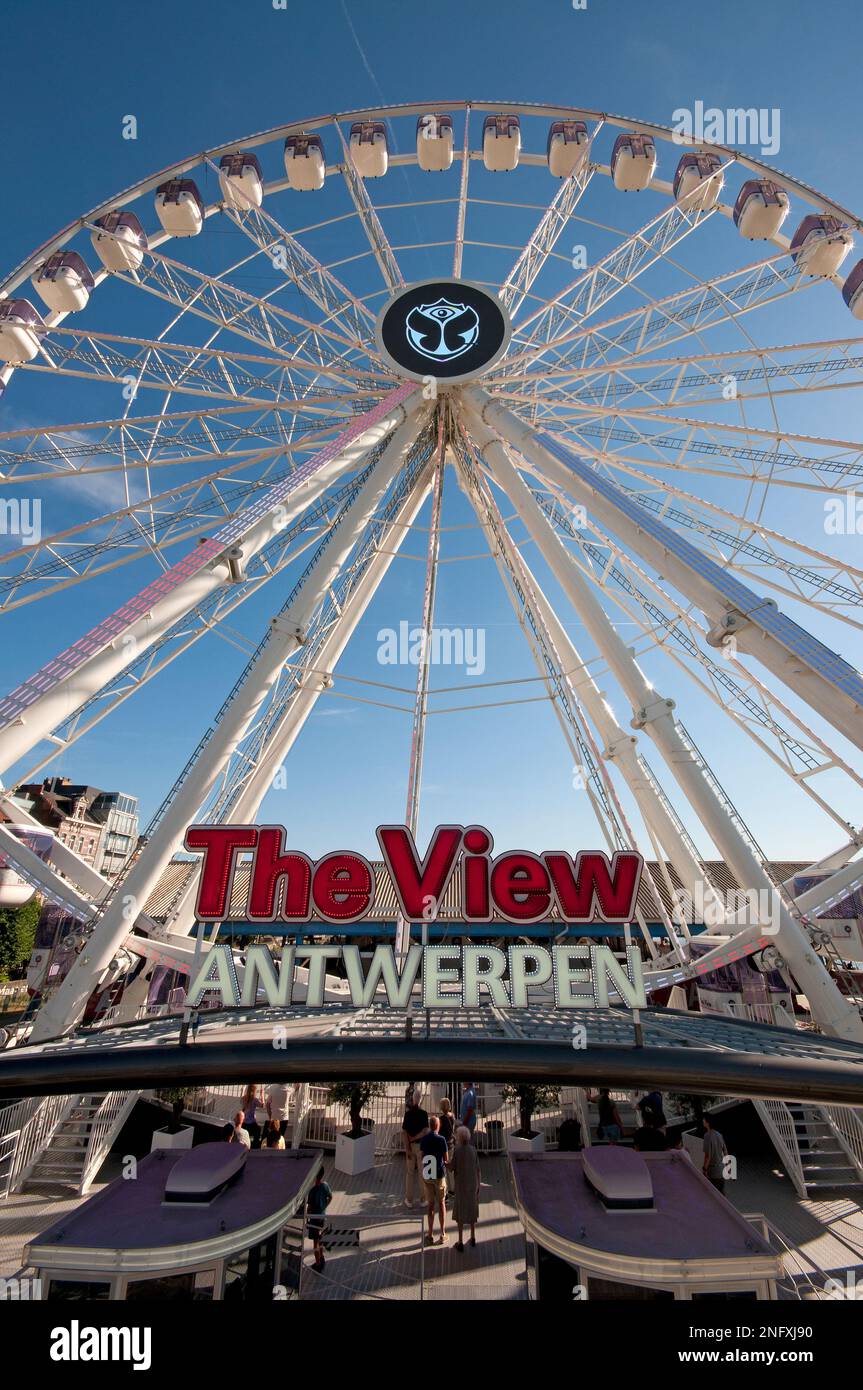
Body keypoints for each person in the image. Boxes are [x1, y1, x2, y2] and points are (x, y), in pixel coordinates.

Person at [449, 1125, 480, 1251]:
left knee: (460, 1213)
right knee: (472, 1210)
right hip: (472, 1184)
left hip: (461, 1185)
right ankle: (473, 1237)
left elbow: (451, 1167)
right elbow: (478, 1169)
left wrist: (444, 1162)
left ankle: (460, 1241)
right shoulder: (473, 1150)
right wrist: (479, 1184)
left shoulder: (457, 1151)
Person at [420, 1116, 449, 1246]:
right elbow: (446, 1158)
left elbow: (422, 1156)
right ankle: (442, 1233)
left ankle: (430, 1234)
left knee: (430, 1204)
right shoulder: (442, 1139)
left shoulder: (424, 1139)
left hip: (428, 1172)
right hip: (439, 1173)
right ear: (437, 1126)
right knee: (441, 1203)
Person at [401, 1088, 430, 1207]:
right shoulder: (424, 1114)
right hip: (421, 1147)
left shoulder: (407, 1115)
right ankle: (423, 1199)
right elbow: (425, 1131)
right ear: (421, 1099)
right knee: (422, 1173)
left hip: (410, 1147)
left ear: (413, 1099)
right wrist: (415, 1138)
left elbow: (404, 1132)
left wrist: (408, 1146)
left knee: (410, 1173)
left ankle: (409, 1199)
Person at [306, 1167, 333, 1273]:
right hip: (322, 1217)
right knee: (320, 1238)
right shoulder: (325, 1186)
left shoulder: (312, 1191)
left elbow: (309, 1207)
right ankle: (321, 1258)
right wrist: (324, 1206)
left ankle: (317, 1264)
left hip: (314, 1219)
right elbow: (330, 1197)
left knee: (315, 1242)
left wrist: (307, 1217)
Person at [702, 1114, 729, 1194]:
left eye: (704, 1120)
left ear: (708, 1123)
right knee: (722, 1195)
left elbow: (707, 1156)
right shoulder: (719, 1135)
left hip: (713, 1172)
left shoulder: (707, 1136)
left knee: (714, 1195)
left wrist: (704, 1169)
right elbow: (725, 1152)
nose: (703, 1121)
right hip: (721, 1170)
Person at [438, 1098, 456, 1195]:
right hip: (451, 1144)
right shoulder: (452, 1116)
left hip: (443, 1146)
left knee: (443, 1168)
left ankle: (444, 1189)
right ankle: (452, 1189)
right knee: (450, 1168)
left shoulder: (441, 1119)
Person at [240, 1084, 262, 1148]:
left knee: (243, 1136)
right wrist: (262, 1095)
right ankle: (255, 1146)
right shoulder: (254, 1099)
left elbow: (241, 1100)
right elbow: (262, 1105)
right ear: (254, 1091)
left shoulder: (244, 1098)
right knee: (258, 1130)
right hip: (252, 1123)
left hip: (244, 1123)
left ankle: (243, 1147)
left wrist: (242, 1091)